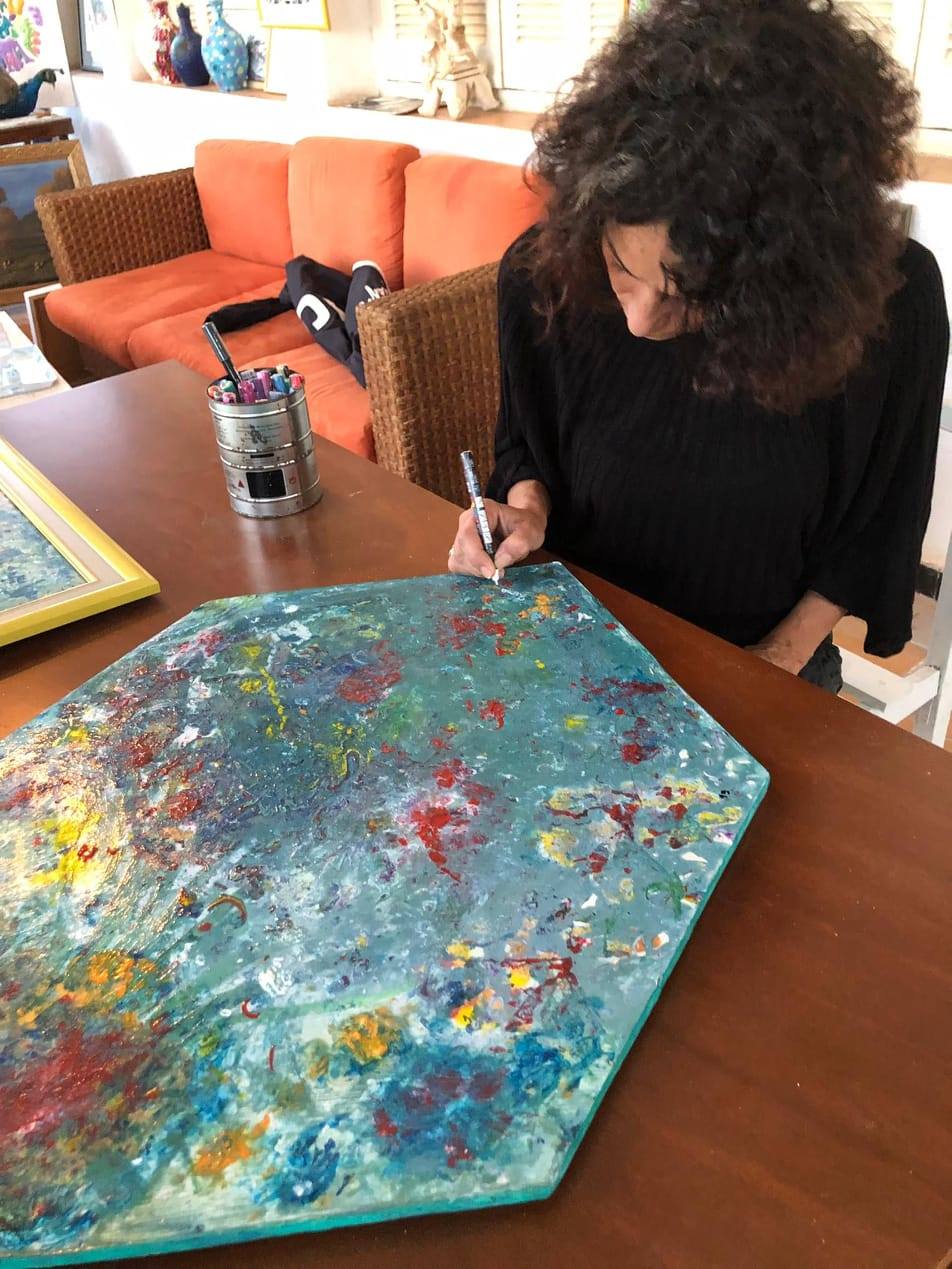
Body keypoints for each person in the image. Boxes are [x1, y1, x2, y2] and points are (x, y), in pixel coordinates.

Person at [447, 0, 949, 692]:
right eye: (623, 268)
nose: (640, 321)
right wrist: (524, 511)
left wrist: (770, 664)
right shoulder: (546, 277)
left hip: (767, 656)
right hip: (580, 637)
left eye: (691, 297)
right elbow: (526, 447)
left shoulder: (886, 305)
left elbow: (879, 521)